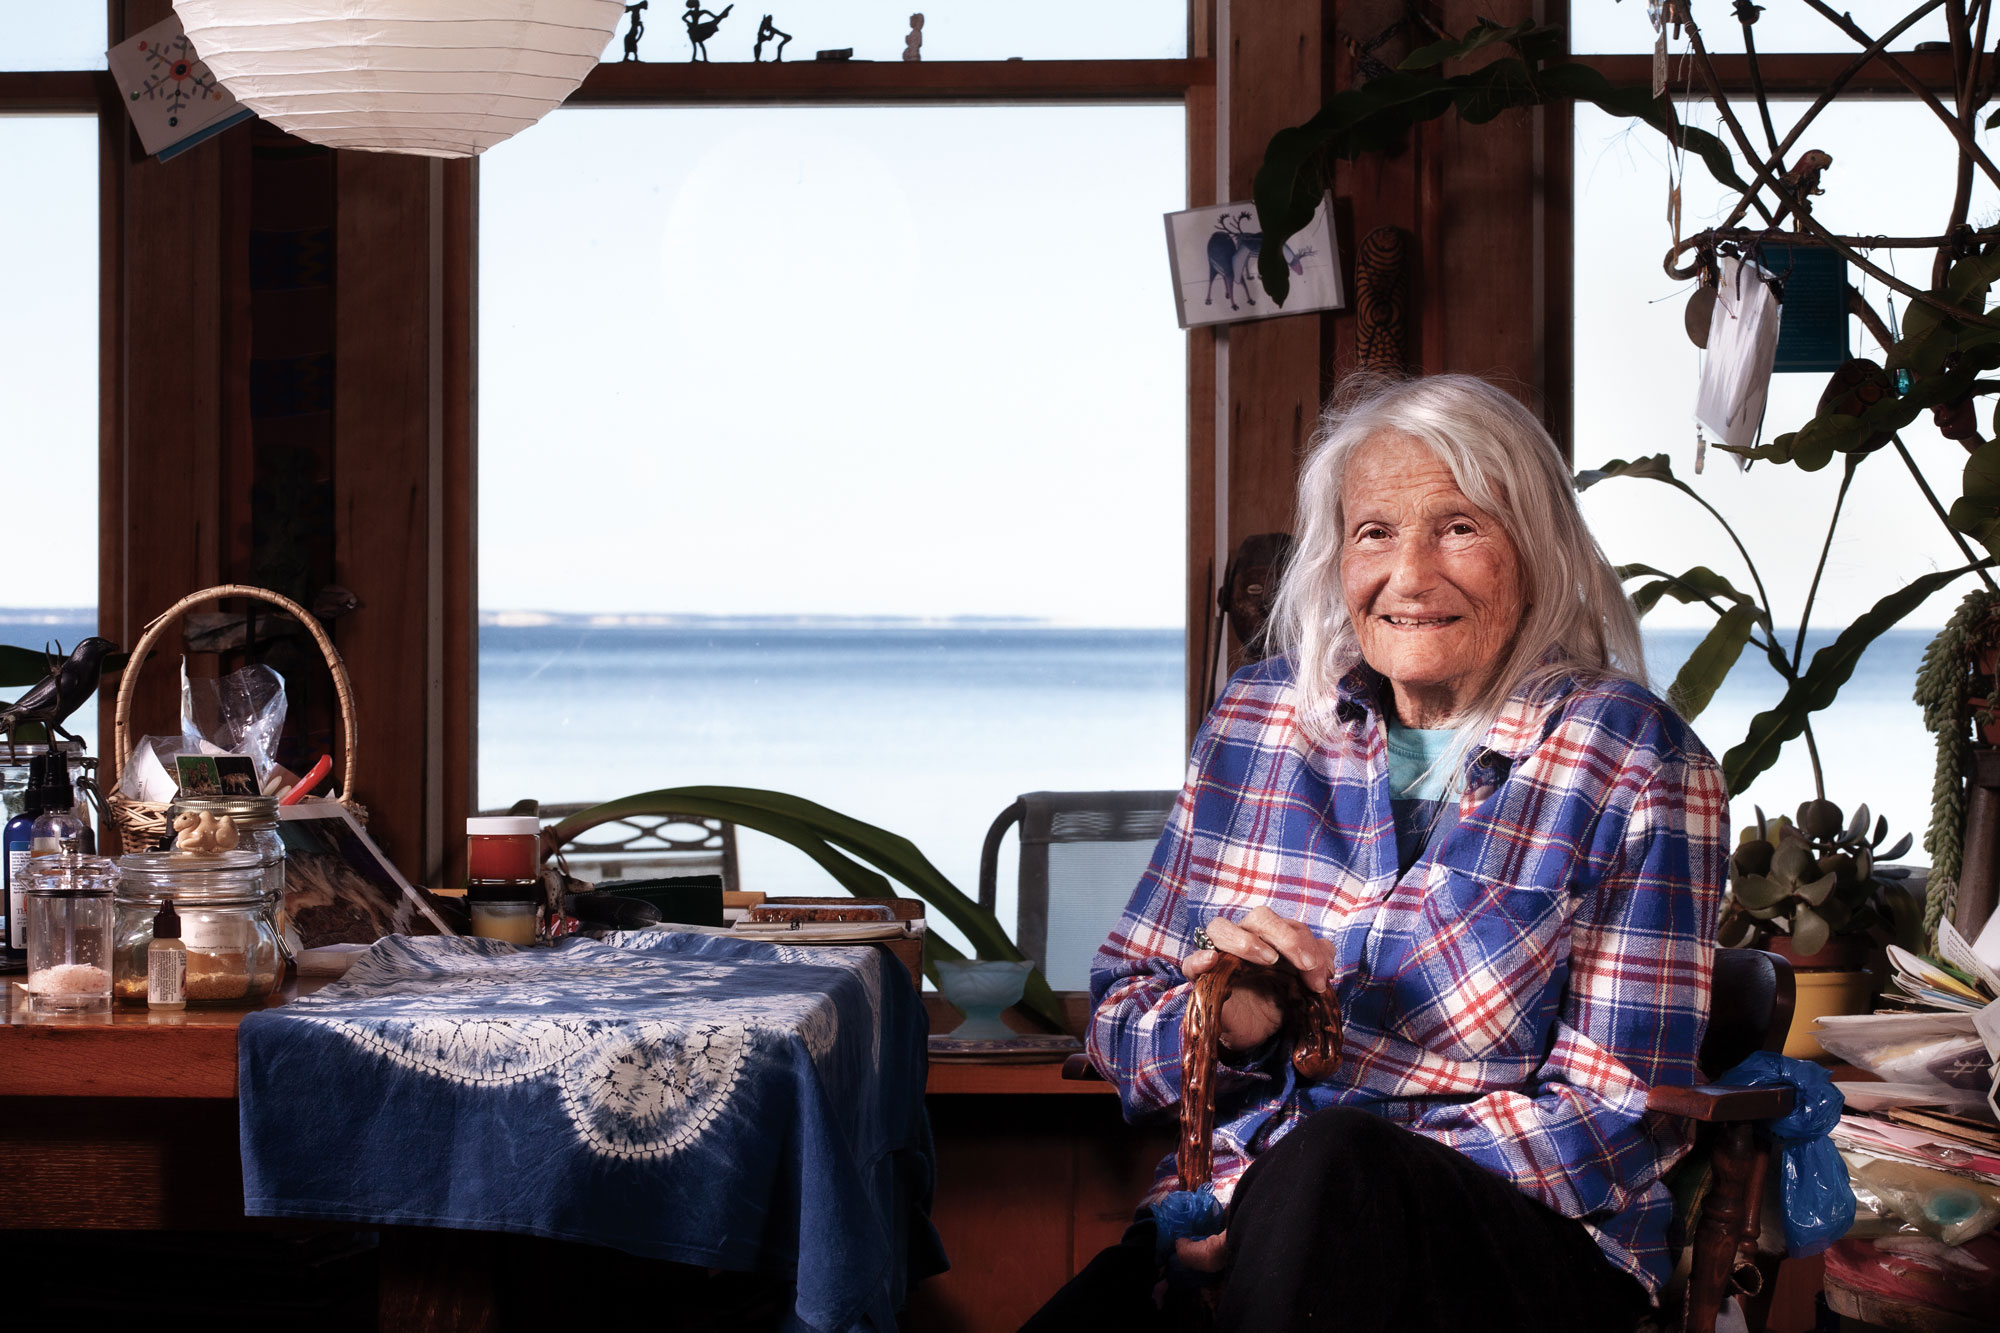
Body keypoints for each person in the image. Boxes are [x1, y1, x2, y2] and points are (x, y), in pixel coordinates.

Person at [1025, 374, 1726, 1333]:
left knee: (1333, 1167)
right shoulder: (1259, 719)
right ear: (1336, 558)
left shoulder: (1633, 754)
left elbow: (1619, 1115)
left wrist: (1294, 1180)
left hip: (1525, 1252)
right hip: (1241, 1234)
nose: (1411, 573)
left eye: (1461, 527)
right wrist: (1232, 1020)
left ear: (1539, 546)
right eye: (1375, 532)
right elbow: (1119, 1014)